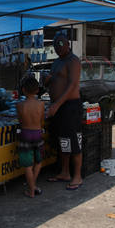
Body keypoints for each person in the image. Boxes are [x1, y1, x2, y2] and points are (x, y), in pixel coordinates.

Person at [41, 32, 83, 190]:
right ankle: (65, 172)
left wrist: (57, 105)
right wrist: (48, 81)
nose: (58, 47)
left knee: (74, 141)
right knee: (63, 141)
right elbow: (53, 80)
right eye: (55, 44)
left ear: (68, 44)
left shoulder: (73, 61)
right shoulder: (57, 62)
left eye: (61, 44)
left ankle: (77, 176)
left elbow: (72, 85)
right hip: (57, 106)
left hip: (70, 106)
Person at [16, 75, 45, 198]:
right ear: (37, 90)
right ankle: (33, 186)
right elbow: (42, 120)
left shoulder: (20, 105)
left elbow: (20, 121)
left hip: (25, 133)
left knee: (27, 165)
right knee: (38, 162)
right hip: (38, 132)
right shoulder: (41, 104)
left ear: (23, 90)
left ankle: (31, 190)